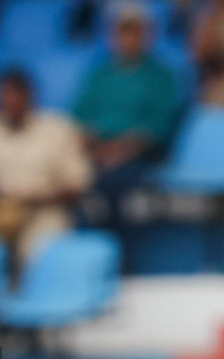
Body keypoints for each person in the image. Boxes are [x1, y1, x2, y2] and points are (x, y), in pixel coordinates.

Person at [0, 69, 92, 260]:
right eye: (5, 96)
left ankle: (33, 289)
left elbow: (77, 185)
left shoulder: (57, 128)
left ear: (30, 96)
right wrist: (1, 199)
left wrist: (34, 199)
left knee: (40, 250)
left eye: (16, 95)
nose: (11, 102)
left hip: (45, 211)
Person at [73, 3, 182, 224]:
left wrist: (123, 149)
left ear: (148, 35)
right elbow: (78, 117)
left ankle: (120, 248)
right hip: (96, 153)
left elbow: (160, 124)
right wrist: (94, 147)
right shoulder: (99, 75)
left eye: (135, 31)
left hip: (138, 157)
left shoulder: (161, 77)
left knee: (113, 184)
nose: (128, 38)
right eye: (123, 31)